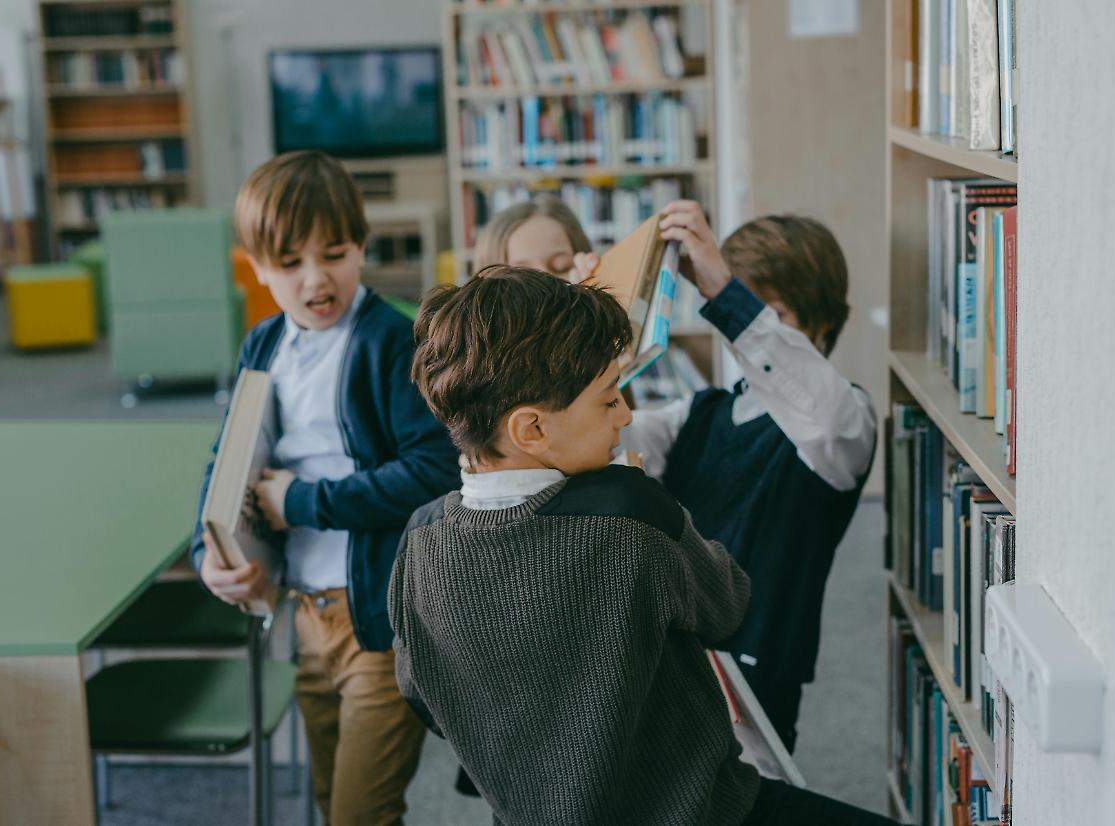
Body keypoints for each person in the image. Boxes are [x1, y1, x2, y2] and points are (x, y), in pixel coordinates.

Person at [391, 266, 897, 825]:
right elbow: (728, 605)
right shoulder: (629, 511)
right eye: (609, 399)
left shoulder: (419, 540)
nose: (627, 414)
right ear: (531, 430)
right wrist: (648, 497)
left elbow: (421, 692)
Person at [483, 196, 879, 752]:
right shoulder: (701, 411)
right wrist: (577, 330)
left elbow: (824, 418)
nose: (751, 330)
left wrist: (726, 294)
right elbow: (589, 448)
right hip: (669, 654)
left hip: (754, 671)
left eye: (775, 315)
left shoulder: (845, 420)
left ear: (825, 320)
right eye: (747, 312)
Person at [188, 150, 459, 825]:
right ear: (256, 267)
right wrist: (208, 552)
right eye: (290, 263)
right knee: (328, 800)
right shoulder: (263, 345)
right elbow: (227, 460)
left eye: (334, 254)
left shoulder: (392, 342)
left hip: (380, 624)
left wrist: (302, 502)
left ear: (362, 245)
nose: (316, 278)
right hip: (304, 618)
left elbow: (434, 470)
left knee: (360, 814)